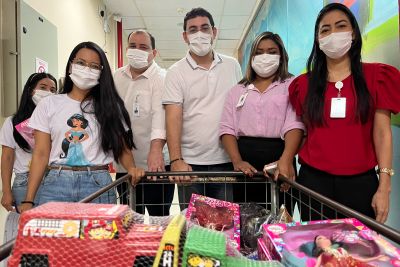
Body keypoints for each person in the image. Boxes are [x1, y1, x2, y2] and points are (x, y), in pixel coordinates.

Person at [288, 3, 400, 222]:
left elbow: (382, 134)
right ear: (318, 40)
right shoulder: (303, 85)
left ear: (354, 34)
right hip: (313, 183)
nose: (333, 34)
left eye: (341, 26)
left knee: (358, 252)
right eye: (325, 30)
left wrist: (384, 187)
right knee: (318, 251)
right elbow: (302, 132)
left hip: (361, 184)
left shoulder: (377, 76)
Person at [18, 41, 145, 213]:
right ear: (71, 65)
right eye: (80, 63)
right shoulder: (49, 104)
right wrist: (28, 199)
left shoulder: (110, 107)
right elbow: (41, 154)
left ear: (101, 72)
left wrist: (131, 168)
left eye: (94, 66)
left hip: (97, 183)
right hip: (56, 181)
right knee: (55, 238)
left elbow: (122, 147)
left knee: (97, 239)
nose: (86, 69)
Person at [162, 7, 242, 207]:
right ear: (185, 36)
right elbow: (173, 117)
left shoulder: (232, 66)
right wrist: (176, 160)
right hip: (189, 165)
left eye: (205, 28)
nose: (199, 34)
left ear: (214, 32)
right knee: (193, 229)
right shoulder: (176, 72)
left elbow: (240, 108)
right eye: (193, 30)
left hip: (226, 161)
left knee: (226, 227)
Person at [219, 31, 304, 205]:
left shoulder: (292, 85)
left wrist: (286, 160)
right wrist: (237, 161)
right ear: (252, 57)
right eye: (259, 52)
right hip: (245, 163)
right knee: (246, 222)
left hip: (281, 158)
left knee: (280, 220)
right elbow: (227, 128)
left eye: (272, 52)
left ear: (282, 55)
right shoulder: (237, 90)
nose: (265, 57)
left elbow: (294, 124)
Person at [114, 30, 174, 216]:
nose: (137, 51)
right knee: (129, 218)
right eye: (133, 46)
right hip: (125, 165)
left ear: (153, 53)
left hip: (156, 166)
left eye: (143, 47)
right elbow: (114, 117)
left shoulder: (162, 77)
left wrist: (155, 150)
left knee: (159, 218)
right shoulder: (116, 77)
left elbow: (160, 114)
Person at [1, 73, 57, 211]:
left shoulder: (57, 121)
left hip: (55, 180)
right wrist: (6, 191)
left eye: (53, 90)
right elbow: (7, 157)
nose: (48, 93)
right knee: (28, 228)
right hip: (24, 182)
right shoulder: (12, 122)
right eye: (43, 88)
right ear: (31, 90)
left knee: (53, 228)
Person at [313, 235, 387, 267]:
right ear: (318, 246)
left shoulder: (341, 250)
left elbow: (359, 260)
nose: (324, 238)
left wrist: (376, 258)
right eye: (320, 238)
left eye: (325, 237)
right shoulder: (322, 256)